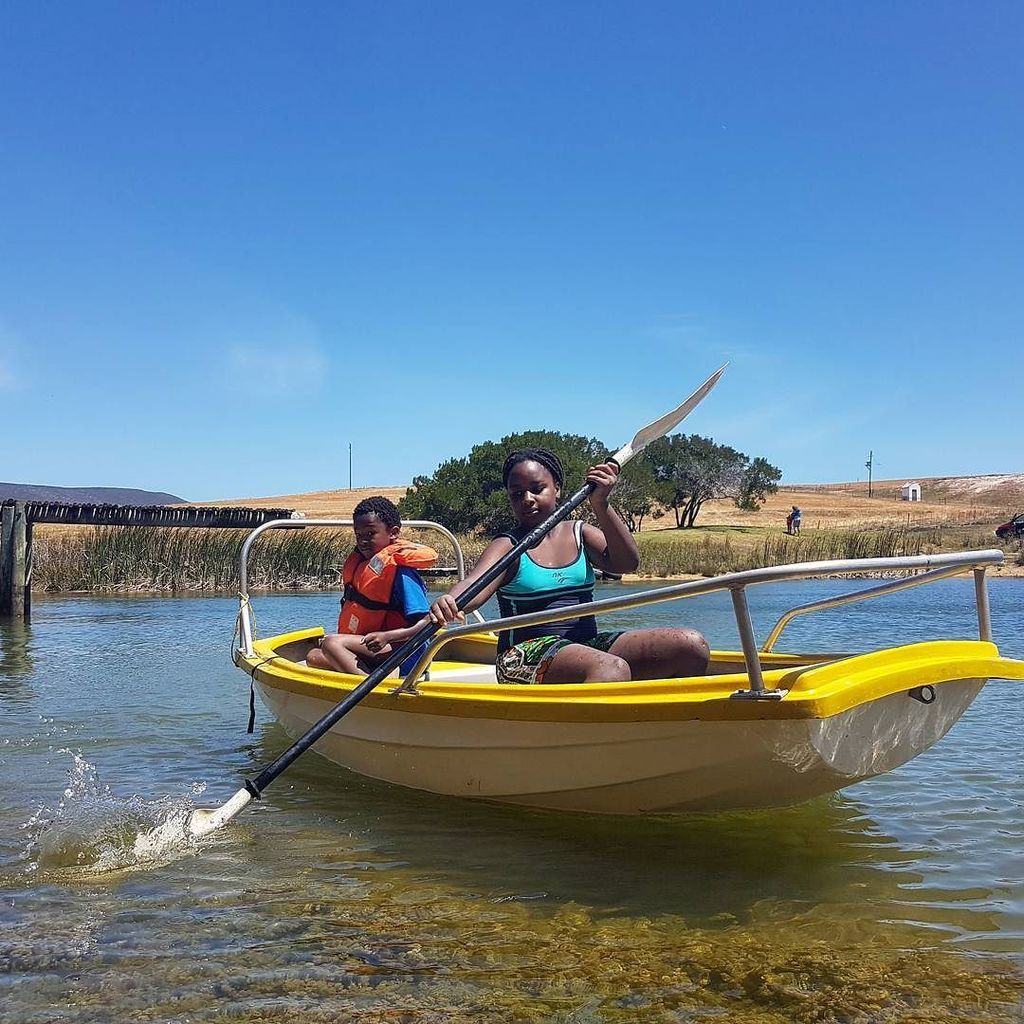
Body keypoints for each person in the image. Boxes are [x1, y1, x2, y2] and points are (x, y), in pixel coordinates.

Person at [428, 448, 710, 684]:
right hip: (521, 656)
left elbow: (627, 564)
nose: (527, 499)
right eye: (517, 494)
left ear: (557, 489)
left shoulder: (580, 533)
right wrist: (450, 600)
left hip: (585, 645)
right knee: (610, 669)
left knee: (690, 646)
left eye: (537, 489)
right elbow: (476, 585)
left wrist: (601, 503)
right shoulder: (509, 545)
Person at [307, 496, 437, 676]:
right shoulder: (364, 566)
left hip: (407, 652)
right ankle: (378, 674)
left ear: (393, 532)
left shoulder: (402, 574)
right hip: (378, 649)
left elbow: (428, 624)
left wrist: (387, 636)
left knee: (331, 644)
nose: (362, 541)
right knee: (314, 656)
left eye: (370, 534)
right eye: (358, 535)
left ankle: (371, 689)